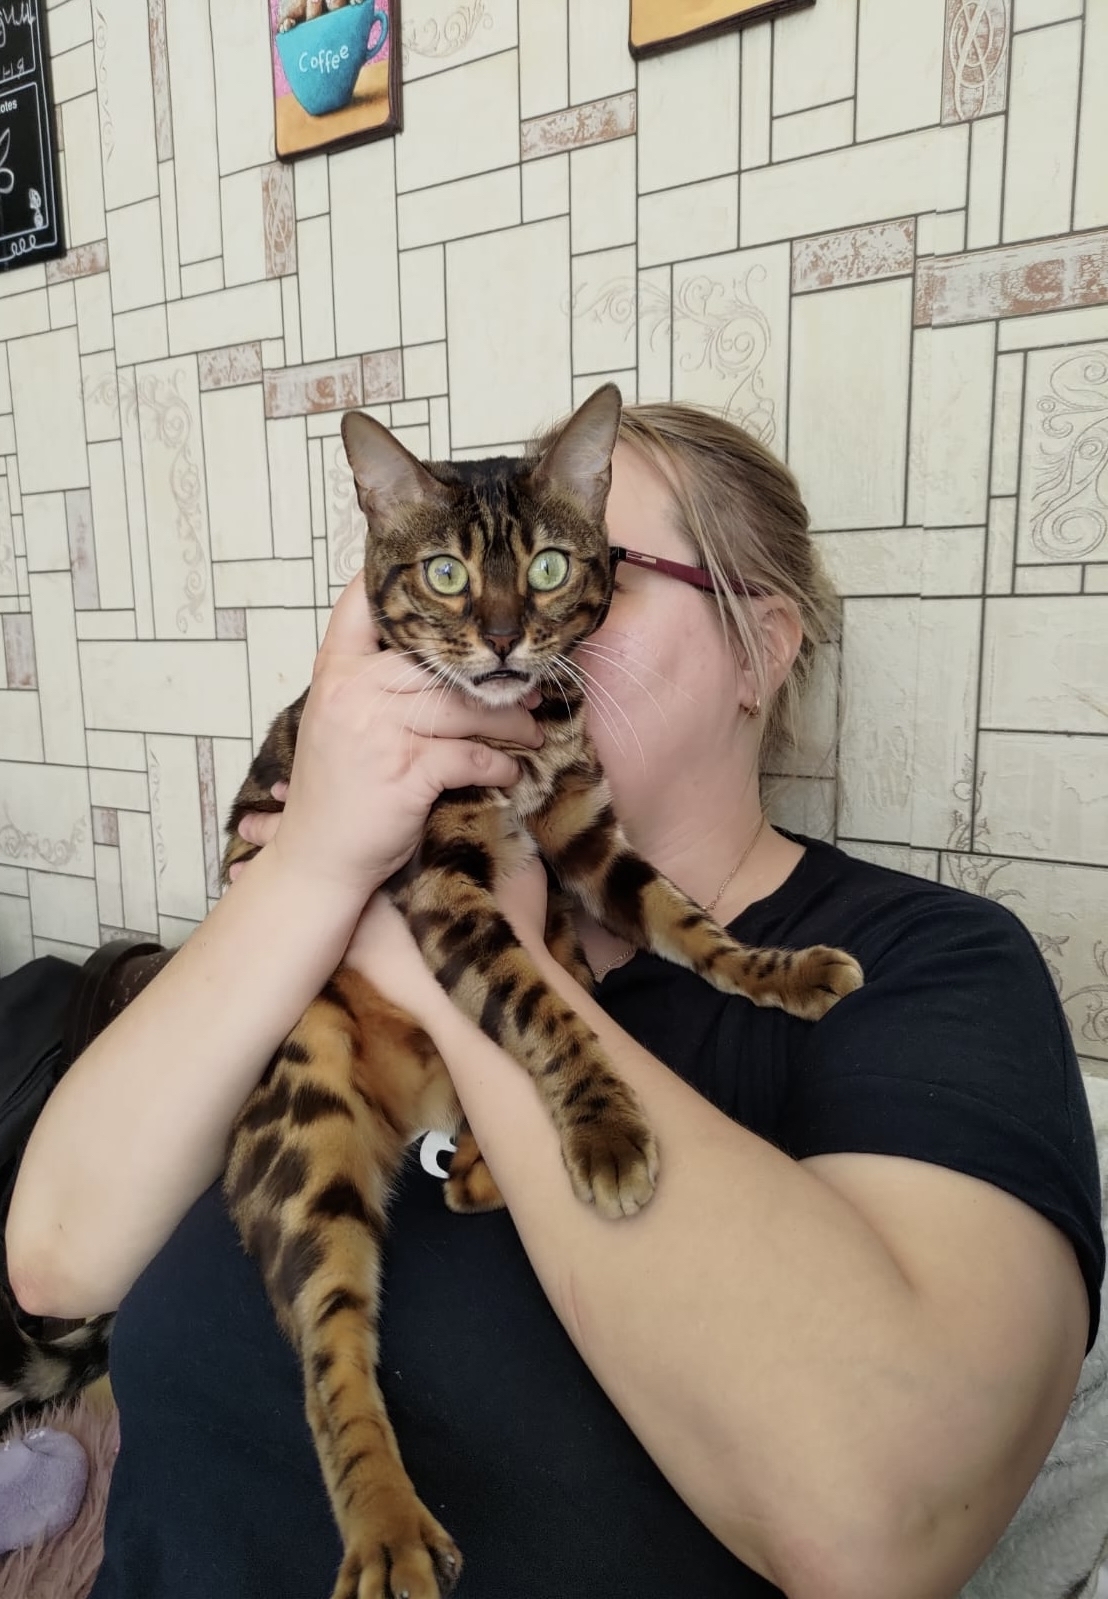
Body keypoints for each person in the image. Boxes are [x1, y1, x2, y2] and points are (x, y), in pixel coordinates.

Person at [6, 402, 1103, 1599]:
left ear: (760, 648)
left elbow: (877, 1520)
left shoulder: (927, 961)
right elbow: (57, 1260)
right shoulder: (327, 882)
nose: (495, 626)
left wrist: (448, 952)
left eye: (584, 565)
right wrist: (318, 863)